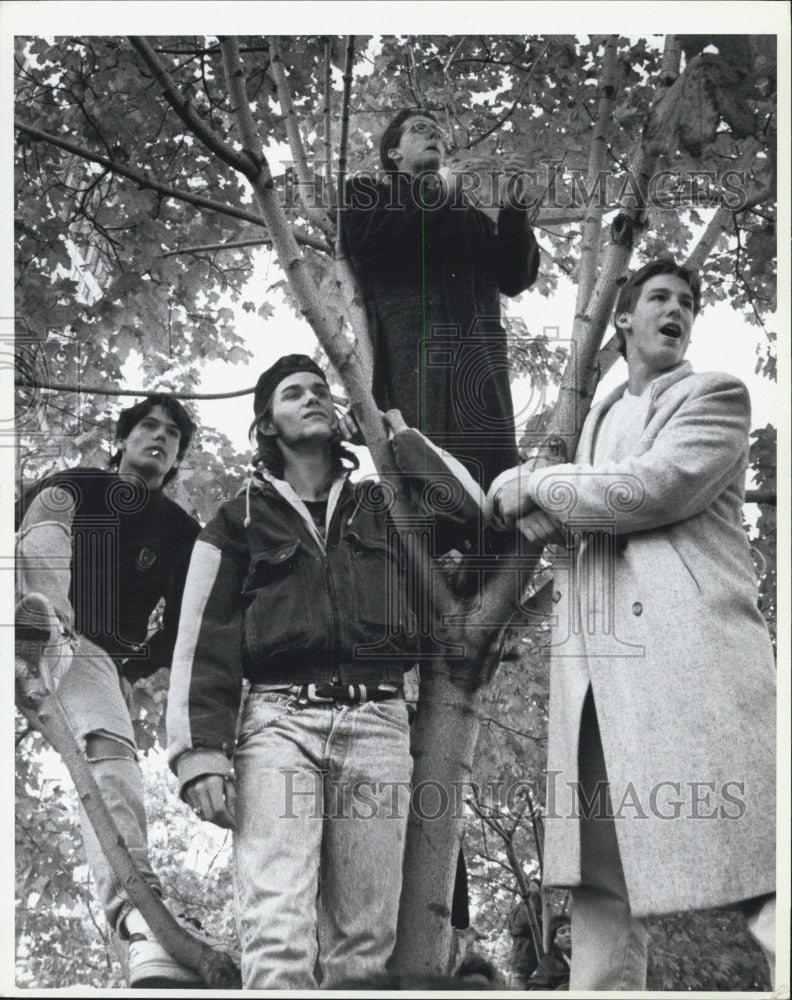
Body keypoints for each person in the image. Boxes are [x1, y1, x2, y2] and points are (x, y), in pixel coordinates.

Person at [486, 258, 776, 989]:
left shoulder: (716, 396)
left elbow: (650, 489)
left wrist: (533, 483)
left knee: (762, 865)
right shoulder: (594, 421)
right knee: (601, 894)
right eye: (659, 297)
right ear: (623, 319)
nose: (676, 309)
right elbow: (579, 514)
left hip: (694, 657)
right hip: (594, 685)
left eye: (687, 301)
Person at [168, 354, 468, 989]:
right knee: (276, 927)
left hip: (381, 725)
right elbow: (203, 638)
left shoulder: (384, 502)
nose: (312, 399)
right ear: (268, 425)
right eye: (292, 394)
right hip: (279, 724)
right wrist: (200, 753)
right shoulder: (238, 518)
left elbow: (467, 510)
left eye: (320, 391)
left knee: (364, 943)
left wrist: (393, 438)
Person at [15, 395, 205, 987]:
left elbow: (180, 625)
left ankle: (140, 922)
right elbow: (38, 543)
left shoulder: (181, 532)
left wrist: (134, 664)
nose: (160, 437)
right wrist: (52, 622)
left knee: (114, 757)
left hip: (92, 655)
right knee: (41, 529)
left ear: (176, 458)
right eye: (148, 425)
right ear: (122, 438)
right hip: (33, 614)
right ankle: (40, 634)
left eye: (172, 435)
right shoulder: (76, 484)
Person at [342, 107, 540, 491]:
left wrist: (515, 211)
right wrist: (435, 194)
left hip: (479, 378)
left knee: (495, 502)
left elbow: (515, 277)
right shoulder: (367, 194)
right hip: (412, 371)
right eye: (420, 129)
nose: (434, 134)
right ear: (394, 154)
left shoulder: (471, 219)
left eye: (438, 131)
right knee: (428, 497)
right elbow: (370, 242)